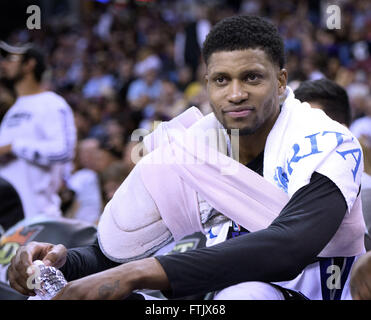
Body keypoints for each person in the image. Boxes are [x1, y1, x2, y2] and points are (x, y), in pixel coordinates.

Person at [8, 16, 366, 300]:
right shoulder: (190, 148)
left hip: (312, 295)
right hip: (206, 303)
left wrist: (139, 273)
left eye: (252, 78)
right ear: (207, 84)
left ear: (281, 81)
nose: (236, 94)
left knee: (246, 294)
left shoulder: (327, 140)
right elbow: (111, 258)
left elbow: (291, 246)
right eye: (221, 80)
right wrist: (61, 262)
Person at [0, 41, 76, 219]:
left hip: (38, 217)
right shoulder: (13, 111)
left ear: (29, 64)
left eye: (11, 59)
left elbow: (62, 151)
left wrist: (14, 147)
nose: (4, 64)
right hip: (8, 216)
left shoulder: (51, 103)